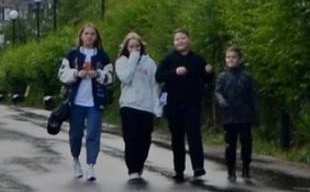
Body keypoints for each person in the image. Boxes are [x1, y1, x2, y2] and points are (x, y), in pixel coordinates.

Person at [56, 23, 116, 182]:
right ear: (81, 36)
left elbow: (110, 77)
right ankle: (76, 160)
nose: (89, 37)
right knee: (75, 134)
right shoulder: (72, 55)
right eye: (86, 34)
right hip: (76, 101)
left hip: (94, 102)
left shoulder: (102, 56)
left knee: (93, 133)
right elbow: (62, 74)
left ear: (96, 37)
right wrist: (77, 73)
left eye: (92, 34)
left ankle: (91, 165)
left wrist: (98, 74)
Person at [155, 28, 211, 182]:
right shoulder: (169, 59)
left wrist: (209, 72)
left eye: (183, 38)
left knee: (194, 135)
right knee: (177, 138)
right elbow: (159, 77)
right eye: (177, 39)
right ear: (174, 43)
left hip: (192, 103)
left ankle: (198, 167)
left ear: (189, 40)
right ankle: (179, 169)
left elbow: (206, 80)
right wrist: (174, 72)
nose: (180, 41)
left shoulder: (197, 59)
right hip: (174, 104)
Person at [110, 31, 161, 182]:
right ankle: (133, 169)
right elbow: (125, 78)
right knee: (131, 138)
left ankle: (139, 164)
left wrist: (156, 106)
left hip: (146, 107)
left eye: (137, 46)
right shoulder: (122, 62)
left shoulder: (150, 63)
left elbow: (154, 85)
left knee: (145, 139)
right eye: (131, 46)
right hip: (129, 105)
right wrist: (132, 59)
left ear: (142, 47)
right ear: (126, 48)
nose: (134, 49)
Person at [215, 44, 259, 183]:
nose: (231, 60)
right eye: (228, 57)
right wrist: (222, 102)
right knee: (230, 145)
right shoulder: (222, 77)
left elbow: (253, 96)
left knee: (246, 143)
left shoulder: (247, 77)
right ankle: (231, 170)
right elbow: (218, 92)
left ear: (240, 59)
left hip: (244, 115)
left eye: (234, 57)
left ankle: (246, 167)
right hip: (229, 116)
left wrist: (255, 113)